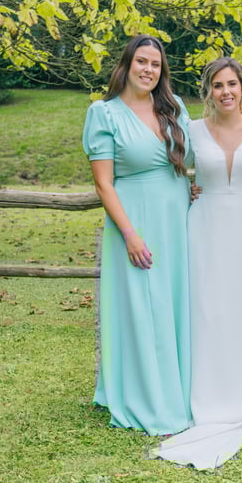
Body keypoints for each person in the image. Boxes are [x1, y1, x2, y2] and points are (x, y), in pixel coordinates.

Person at [152, 57, 242, 468]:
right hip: (204, 228)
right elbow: (167, 168)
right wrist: (184, 190)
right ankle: (206, 395)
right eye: (218, 85)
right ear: (208, 92)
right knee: (207, 311)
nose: (226, 92)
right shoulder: (193, 130)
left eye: (232, 84)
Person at [82, 34, 193, 436]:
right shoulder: (104, 114)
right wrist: (129, 234)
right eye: (142, 61)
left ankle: (179, 389)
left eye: (156, 64)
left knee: (172, 303)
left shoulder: (173, 107)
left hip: (175, 220)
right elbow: (103, 184)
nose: (149, 69)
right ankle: (147, 397)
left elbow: (193, 157)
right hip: (134, 221)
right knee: (145, 305)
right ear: (127, 65)